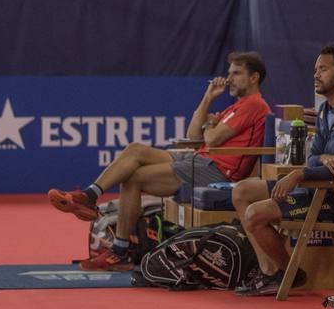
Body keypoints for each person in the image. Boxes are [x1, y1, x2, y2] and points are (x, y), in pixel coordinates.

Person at [48, 51, 271, 271]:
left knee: (134, 178)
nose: (230, 78)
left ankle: (119, 251)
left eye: (237, 73)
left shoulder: (254, 105)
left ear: (254, 78)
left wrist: (210, 126)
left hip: (218, 171)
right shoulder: (235, 107)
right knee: (135, 150)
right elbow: (193, 135)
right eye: (229, 72)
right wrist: (209, 96)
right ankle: (90, 195)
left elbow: (211, 139)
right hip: (199, 159)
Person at [229, 45, 334, 296]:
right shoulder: (324, 111)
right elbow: (312, 159)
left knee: (255, 213)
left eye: (323, 69)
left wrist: (298, 174)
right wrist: (323, 157)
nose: (316, 74)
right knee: (242, 190)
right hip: (315, 188)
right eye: (315, 69)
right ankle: (271, 272)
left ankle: (289, 273)